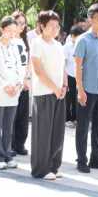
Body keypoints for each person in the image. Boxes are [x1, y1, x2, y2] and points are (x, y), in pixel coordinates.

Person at [73, 3, 98, 172]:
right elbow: (78, 68)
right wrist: (80, 90)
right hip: (87, 91)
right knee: (83, 127)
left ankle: (97, 158)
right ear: (90, 19)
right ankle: (81, 160)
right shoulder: (83, 40)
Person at [29, 10, 67, 179]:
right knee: (43, 132)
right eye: (51, 26)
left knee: (57, 132)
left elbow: (63, 68)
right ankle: (41, 169)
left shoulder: (58, 45)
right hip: (44, 93)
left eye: (57, 26)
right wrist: (54, 88)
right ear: (42, 26)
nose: (55, 29)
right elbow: (38, 71)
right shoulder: (37, 43)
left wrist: (64, 86)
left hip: (59, 93)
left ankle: (53, 167)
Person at [0, 16, 25, 169]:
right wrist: (5, 86)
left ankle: (7, 155)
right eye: (9, 30)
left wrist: (18, 84)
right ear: (2, 29)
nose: (12, 34)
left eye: (14, 31)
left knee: (9, 125)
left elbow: (21, 66)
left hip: (14, 91)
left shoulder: (16, 46)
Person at [11, 10, 32, 156]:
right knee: (12, 115)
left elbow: (29, 61)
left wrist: (27, 79)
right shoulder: (9, 40)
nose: (21, 26)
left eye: (23, 23)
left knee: (23, 116)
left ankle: (20, 144)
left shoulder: (26, 40)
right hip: (13, 83)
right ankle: (10, 144)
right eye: (18, 23)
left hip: (24, 83)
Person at [63, 23, 83, 125]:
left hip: (79, 76)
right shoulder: (67, 47)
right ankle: (67, 118)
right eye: (76, 36)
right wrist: (64, 78)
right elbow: (63, 63)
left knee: (77, 97)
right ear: (71, 36)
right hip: (69, 75)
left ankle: (76, 118)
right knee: (69, 97)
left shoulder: (83, 45)